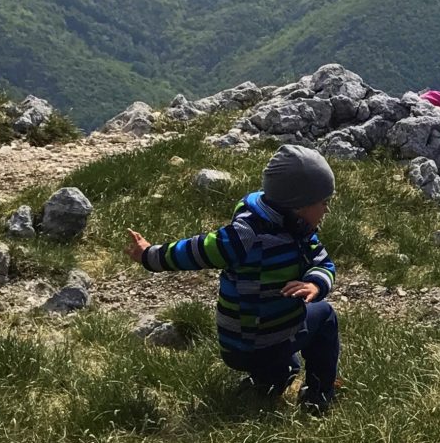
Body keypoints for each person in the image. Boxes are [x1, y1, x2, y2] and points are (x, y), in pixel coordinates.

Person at [126, 144, 341, 413]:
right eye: (323, 203)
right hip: (262, 342)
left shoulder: (282, 229)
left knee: (286, 369)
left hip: (242, 343)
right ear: (298, 206)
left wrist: (315, 283)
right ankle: (319, 397)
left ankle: (264, 384)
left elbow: (192, 252)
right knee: (325, 316)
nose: (326, 210)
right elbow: (194, 250)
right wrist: (149, 255)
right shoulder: (250, 236)